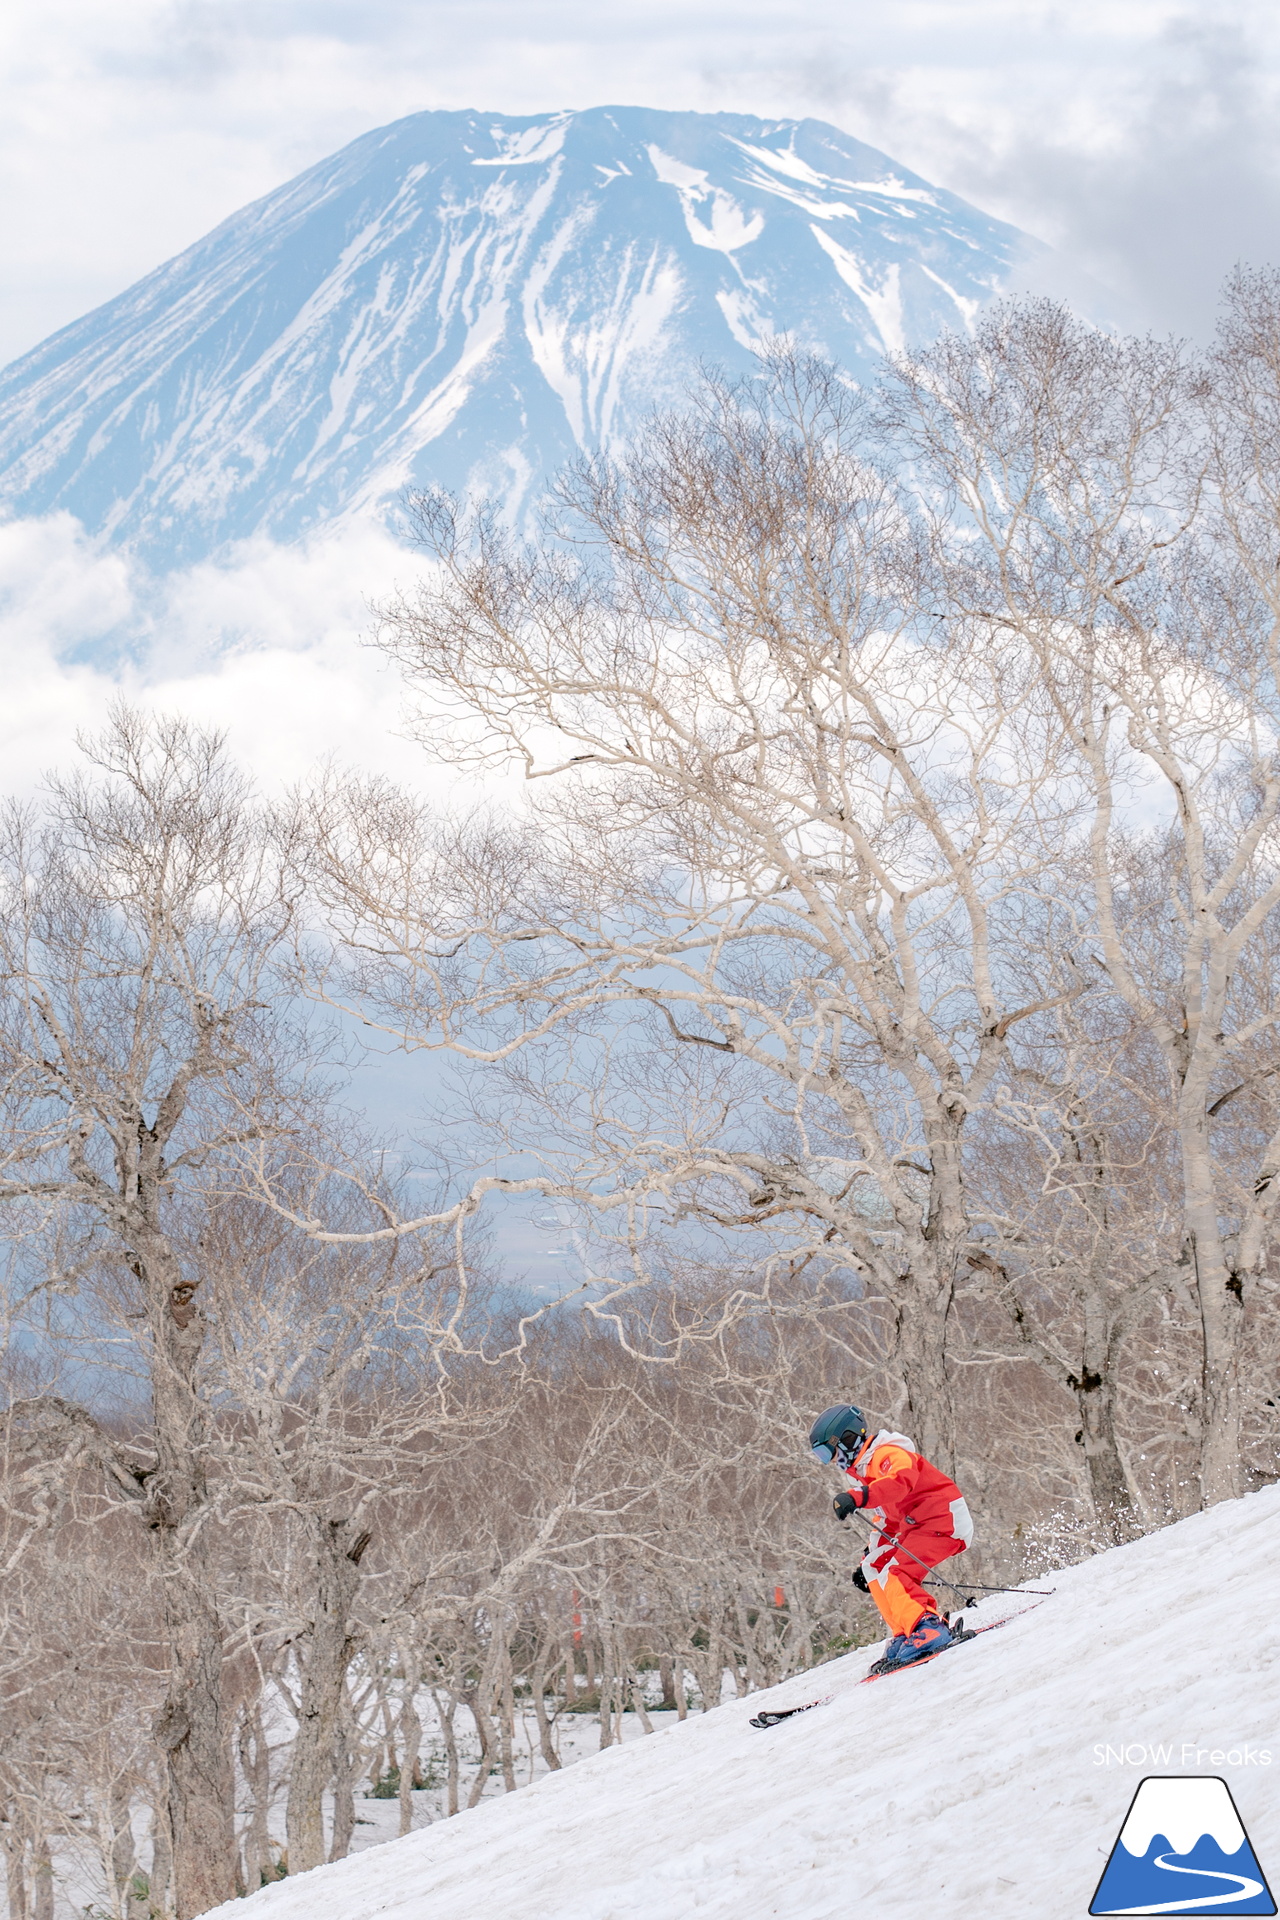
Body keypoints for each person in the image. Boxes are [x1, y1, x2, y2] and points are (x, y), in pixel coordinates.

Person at [809, 1403, 975, 1670]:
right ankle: (906, 1629)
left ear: (847, 1439)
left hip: (942, 1518)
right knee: (874, 1567)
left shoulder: (888, 1454)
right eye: (821, 1455)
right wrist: (869, 1554)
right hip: (917, 1526)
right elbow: (886, 1521)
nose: (830, 1461)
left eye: (828, 1451)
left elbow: (899, 1483)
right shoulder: (864, 1475)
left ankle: (928, 1627)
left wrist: (858, 1497)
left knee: (896, 1572)